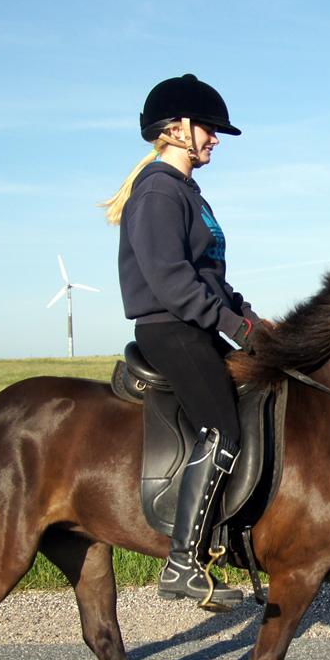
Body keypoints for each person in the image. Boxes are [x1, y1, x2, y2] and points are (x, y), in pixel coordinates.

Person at [102, 74, 255, 605]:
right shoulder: (159, 192)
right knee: (223, 431)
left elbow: (210, 276)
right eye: (209, 129)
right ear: (175, 130)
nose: (215, 139)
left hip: (196, 321)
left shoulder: (187, 192)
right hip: (171, 327)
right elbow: (173, 281)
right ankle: (183, 563)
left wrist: (253, 322)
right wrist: (232, 327)